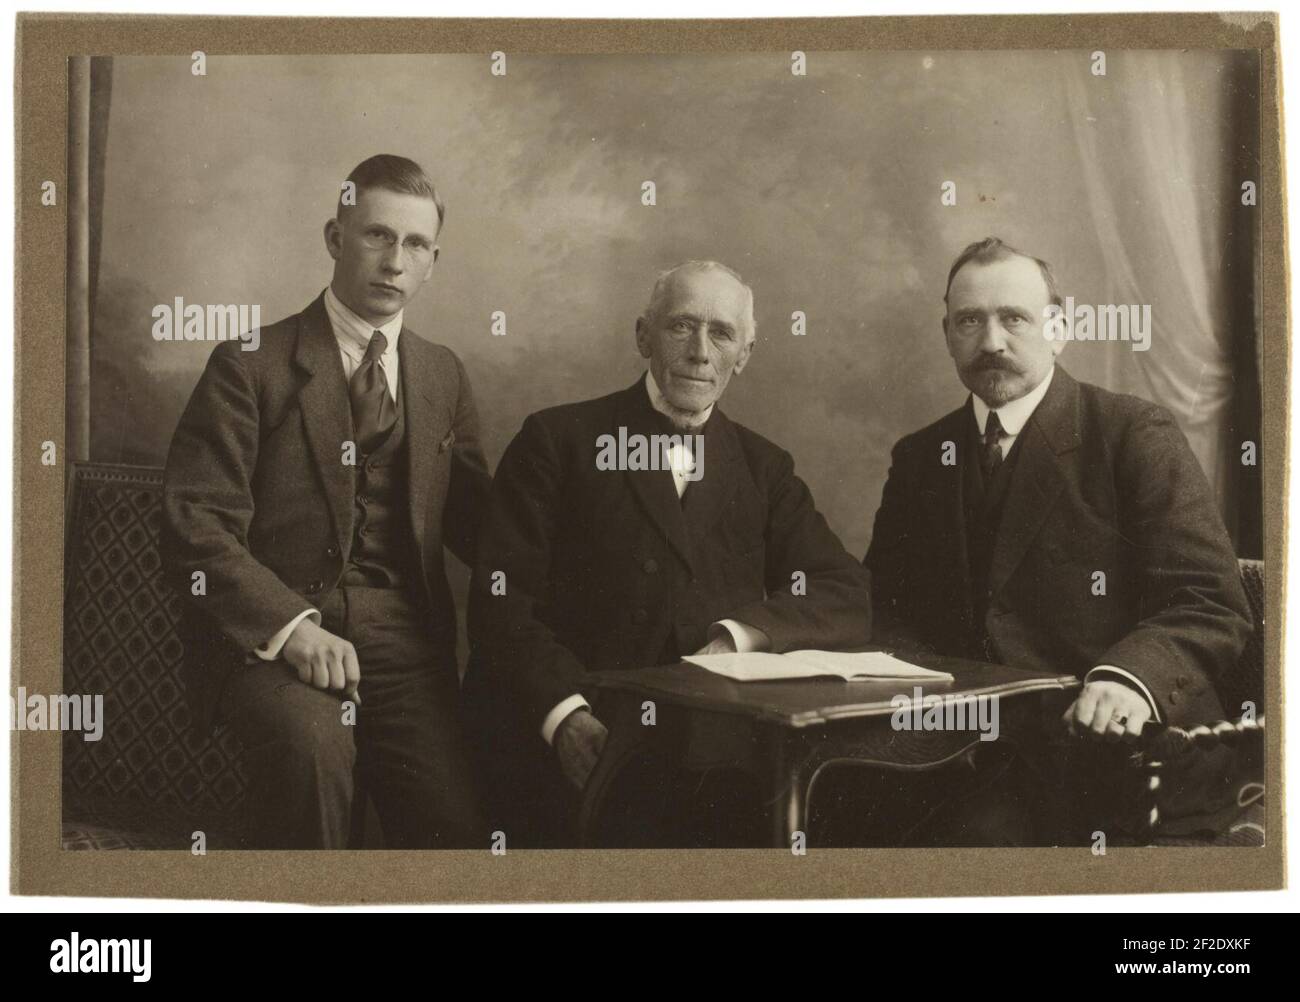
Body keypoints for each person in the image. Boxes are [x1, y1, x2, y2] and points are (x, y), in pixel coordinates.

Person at [465, 260, 873, 846]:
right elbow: (500, 604)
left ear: (745, 354)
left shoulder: (764, 467)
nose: (700, 352)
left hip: (715, 752)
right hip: (578, 737)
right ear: (642, 336)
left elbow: (845, 590)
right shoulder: (558, 441)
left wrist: (738, 634)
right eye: (681, 327)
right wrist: (565, 716)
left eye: (722, 334)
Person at [863, 236, 1251, 840]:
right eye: (969, 321)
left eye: (1014, 318)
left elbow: (1209, 600)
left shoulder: (1132, 433)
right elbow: (887, 608)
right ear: (946, 334)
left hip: (1121, 760)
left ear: (1059, 328)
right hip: (963, 756)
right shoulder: (919, 458)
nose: (991, 342)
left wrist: (1128, 680)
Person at [163, 154, 489, 848]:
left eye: (415, 245)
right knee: (315, 762)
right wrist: (293, 626)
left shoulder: (441, 373)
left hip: (406, 647)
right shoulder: (249, 363)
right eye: (376, 236)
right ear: (335, 238)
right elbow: (195, 523)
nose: (394, 262)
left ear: (433, 260)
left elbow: (480, 523)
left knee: (458, 831)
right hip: (278, 646)